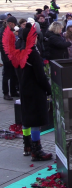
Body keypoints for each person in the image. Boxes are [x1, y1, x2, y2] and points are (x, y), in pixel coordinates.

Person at [3, 23, 53, 160]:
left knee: (26, 119)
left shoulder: (18, 51)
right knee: (36, 121)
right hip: (35, 91)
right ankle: (37, 151)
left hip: (24, 90)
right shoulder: (33, 53)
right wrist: (49, 90)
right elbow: (40, 76)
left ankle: (27, 146)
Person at [0, 16, 19, 100]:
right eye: (14, 24)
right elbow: (3, 46)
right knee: (6, 75)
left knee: (13, 74)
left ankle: (13, 91)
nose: (15, 26)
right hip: (7, 57)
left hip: (12, 56)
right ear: (10, 23)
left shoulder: (9, 30)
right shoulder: (3, 31)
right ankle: (6, 93)